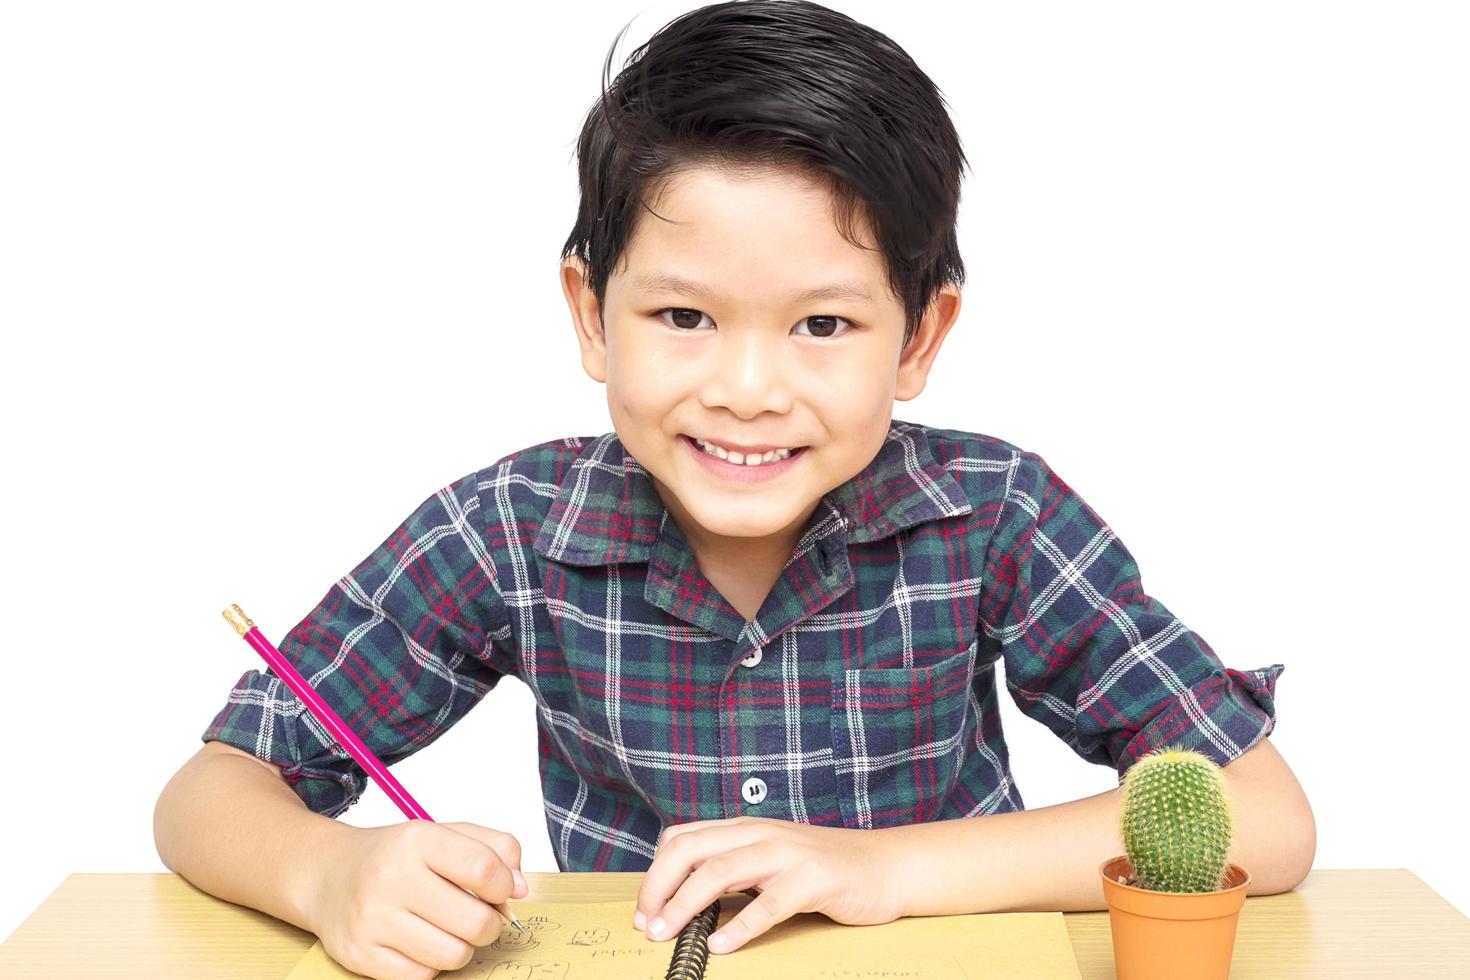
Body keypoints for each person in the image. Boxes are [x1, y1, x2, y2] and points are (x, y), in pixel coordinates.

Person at [154, 2, 1315, 977]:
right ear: (587, 315)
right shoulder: (509, 528)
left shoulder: (995, 511)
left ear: (920, 336)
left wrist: (883, 868)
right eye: (683, 316)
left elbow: (1263, 816)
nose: (748, 389)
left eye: (822, 323)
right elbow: (215, 788)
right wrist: (331, 871)